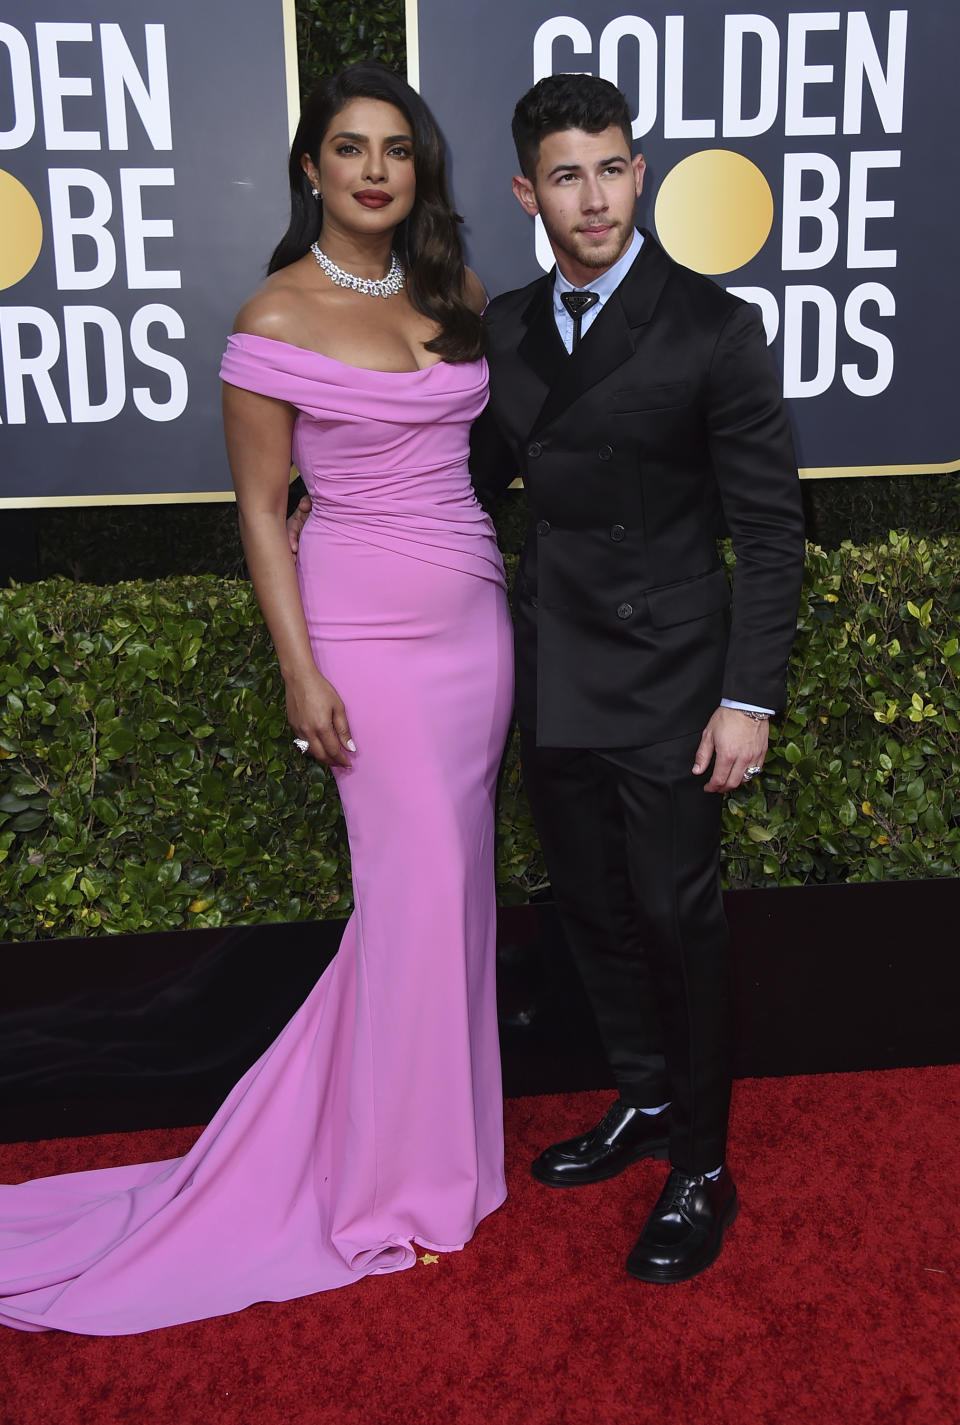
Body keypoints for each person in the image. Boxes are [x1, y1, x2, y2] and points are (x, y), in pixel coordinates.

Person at [0, 63, 513, 1335]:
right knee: (410, 895)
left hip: (476, 627)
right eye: (352, 148)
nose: (377, 170)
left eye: (398, 148)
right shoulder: (271, 319)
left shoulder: (457, 293)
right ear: (311, 168)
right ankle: (392, 1179)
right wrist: (300, 668)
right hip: (364, 634)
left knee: (453, 893)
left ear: (418, 168)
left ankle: (439, 1152)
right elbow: (260, 509)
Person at [292, 72, 805, 1283]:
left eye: (614, 168)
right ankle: (639, 1100)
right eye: (567, 175)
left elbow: (772, 532)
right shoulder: (506, 327)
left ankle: (702, 1166)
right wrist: (351, 515)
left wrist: (749, 697)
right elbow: (455, 472)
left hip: (676, 681)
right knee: (590, 906)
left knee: (678, 919)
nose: (597, 198)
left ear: (641, 173)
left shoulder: (712, 328)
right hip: (549, 664)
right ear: (529, 190)